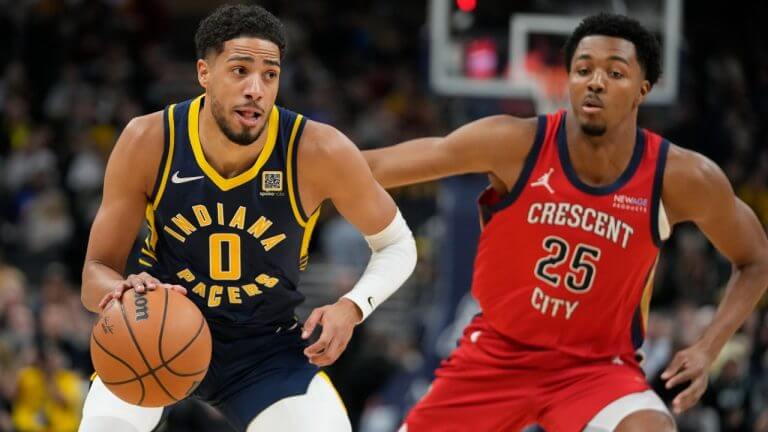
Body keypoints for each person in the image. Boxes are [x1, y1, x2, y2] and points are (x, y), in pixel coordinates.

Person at [364, 13, 768, 432]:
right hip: (497, 357)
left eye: (615, 72)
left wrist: (707, 349)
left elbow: (755, 259)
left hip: (597, 369)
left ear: (642, 91)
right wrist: (306, 169)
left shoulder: (681, 176)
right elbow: (382, 164)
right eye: (583, 69)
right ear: (569, 80)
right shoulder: (516, 142)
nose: (596, 81)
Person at [78, 5, 417, 432]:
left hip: (265, 351)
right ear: (204, 72)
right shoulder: (149, 140)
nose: (256, 88)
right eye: (240, 71)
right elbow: (94, 274)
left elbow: (397, 243)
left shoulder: (317, 150)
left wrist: (351, 307)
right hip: (153, 333)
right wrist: (122, 291)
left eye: (269, 74)